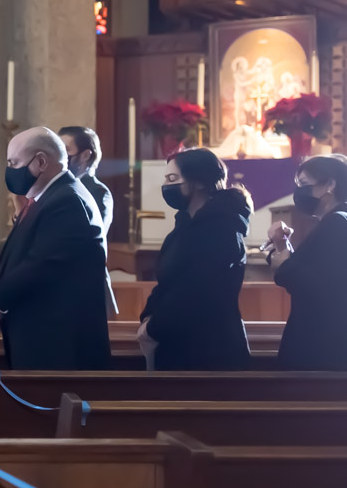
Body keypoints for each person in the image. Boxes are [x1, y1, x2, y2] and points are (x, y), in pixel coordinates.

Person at [0, 127, 112, 369]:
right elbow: (16, 251)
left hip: (60, 349)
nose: (10, 170)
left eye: (14, 163)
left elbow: (42, 264)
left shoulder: (68, 201)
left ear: (40, 162)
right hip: (43, 342)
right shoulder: (47, 199)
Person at [139, 148, 251, 370]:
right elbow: (166, 283)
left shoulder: (221, 228)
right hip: (177, 340)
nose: (166, 185)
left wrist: (153, 328)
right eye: (166, 178)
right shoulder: (183, 226)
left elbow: (196, 291)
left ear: (199, 182)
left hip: (209, 349)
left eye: (173, 179)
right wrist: (148, 317)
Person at [267, 153, 347, 369]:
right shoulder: (334, 222)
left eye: (304, 184)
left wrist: (283, 258)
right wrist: (283, 247)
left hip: (321, 343)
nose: (299, 192)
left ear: (330, 184)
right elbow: (316, 269)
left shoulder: (336, 225)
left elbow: (317, 285)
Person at [59, 125, 112, 237]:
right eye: (58, 149)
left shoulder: (99, 192)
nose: (60, 155)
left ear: (85, 155)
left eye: (66, 149)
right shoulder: (58, 186)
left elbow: (94, 236)